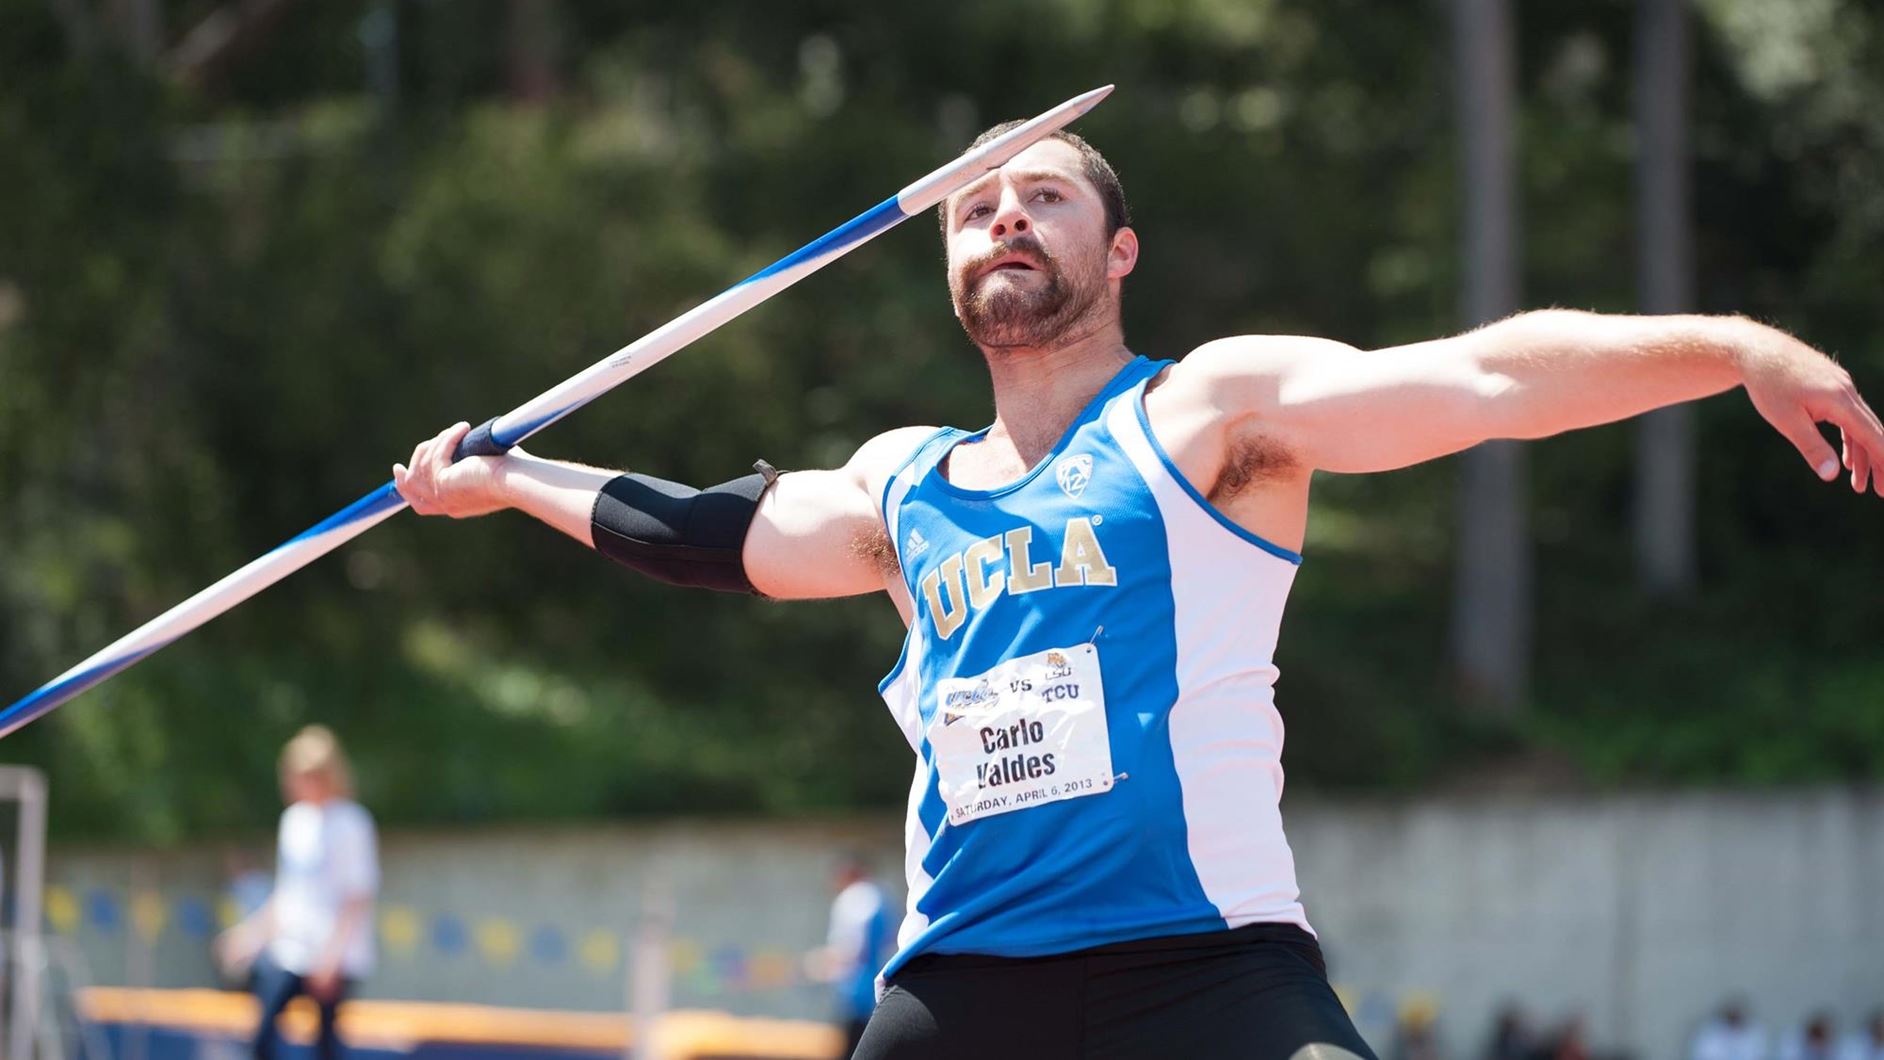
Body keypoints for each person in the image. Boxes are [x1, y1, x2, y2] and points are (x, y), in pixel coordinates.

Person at [392, 123, 1883, 1059]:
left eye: (1041, 196)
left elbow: (1486, 378)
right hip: (967, 983)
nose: (1003, 220)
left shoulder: (1211, 417)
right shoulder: (904, 486)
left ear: (1118, 251)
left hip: (1210, 970)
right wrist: (510, 482)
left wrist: (1734, 347)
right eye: (975, 211)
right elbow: (712, 534)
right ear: (952, 273)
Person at [216, 725, 379, 1060]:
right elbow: (288, 894)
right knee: (262, 1035)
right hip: (293, 949)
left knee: (326, 1045)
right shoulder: (295, 821)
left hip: (334, 954)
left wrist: (332, 958)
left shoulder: (351, 823)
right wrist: (250, 935)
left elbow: (357, 896)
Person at [804, 856, 895, 1057]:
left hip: (858, 997)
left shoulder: (854, 898)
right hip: (884, 995)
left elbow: (849, 951)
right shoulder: (881, 897)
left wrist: (816, 964)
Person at [1691, 999, 1768, 1060]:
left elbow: (1759, 1055)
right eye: (1732, 1014)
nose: (1734, 1016)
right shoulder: (1710, 1035)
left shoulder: (1754, 1033)